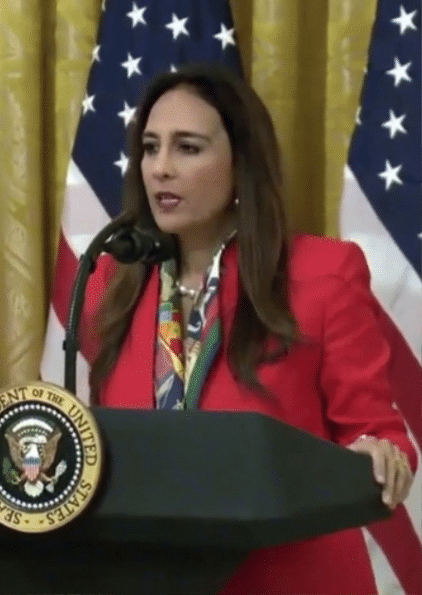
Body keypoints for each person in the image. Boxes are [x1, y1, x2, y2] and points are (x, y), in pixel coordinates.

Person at [79, 64, 417, 595]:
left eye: (187, 148)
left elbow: (376, 431)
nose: (160, 168)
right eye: (150, 147)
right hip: (148, 576)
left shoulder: (320, 276)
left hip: (290, 578)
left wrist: (377, 453)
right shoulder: (109, 284)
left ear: (241, 163)